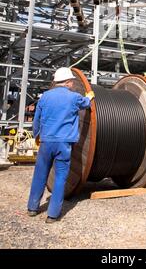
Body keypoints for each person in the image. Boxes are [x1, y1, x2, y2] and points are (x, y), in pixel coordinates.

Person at [27, 67, 95, 223]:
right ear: (68, 82)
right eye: (72, 81)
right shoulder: (74, 98)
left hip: (46, 142)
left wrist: (36, 135)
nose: (72, 84)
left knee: (40, 174)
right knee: (60, 177)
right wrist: (90, 97)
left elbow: (36, 120)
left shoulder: (44, 97)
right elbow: (86, 103)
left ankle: (32, 208)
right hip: (63, 144)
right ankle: (52, 215)